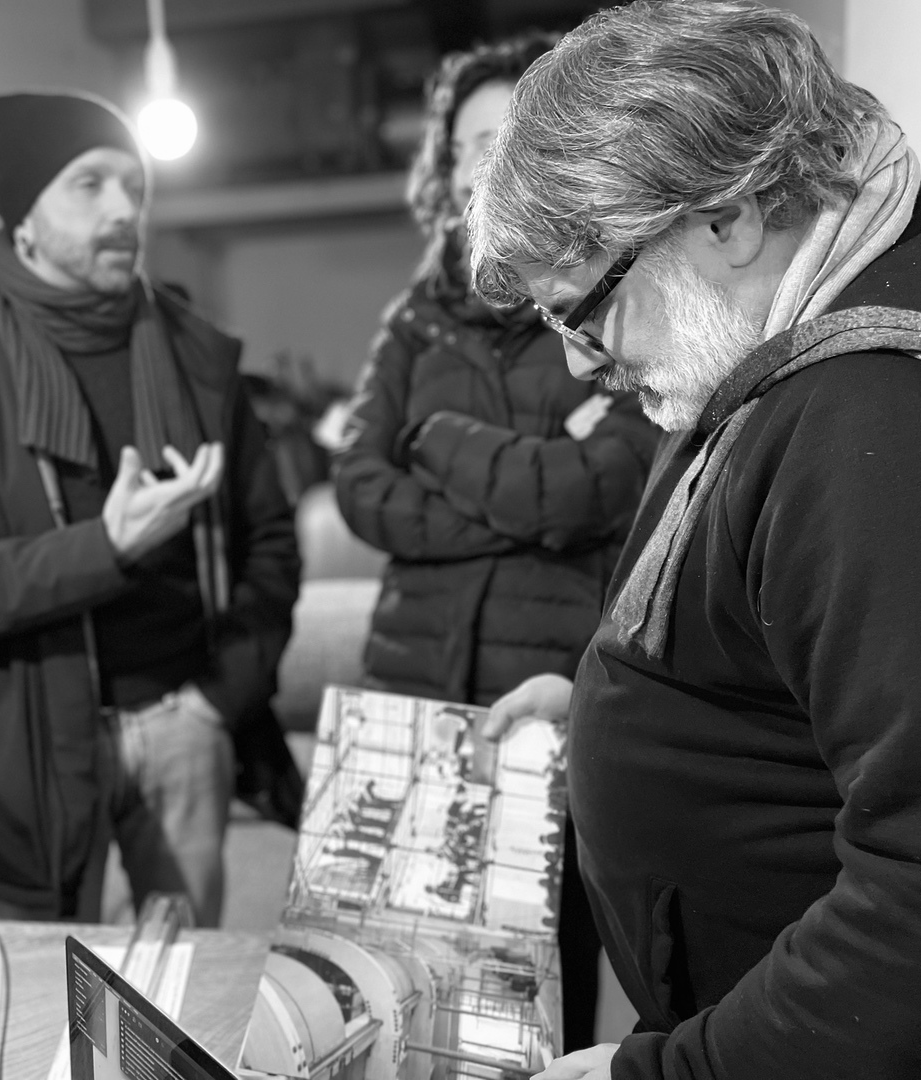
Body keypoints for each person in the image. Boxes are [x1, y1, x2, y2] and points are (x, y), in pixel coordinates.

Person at [468, 2, 921, 1076]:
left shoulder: (888, 411)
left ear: (725, 218)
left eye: (587, 311)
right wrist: (627, 712)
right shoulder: (827, 304)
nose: (579, 362)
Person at [0, 92, 301, 928]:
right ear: (23, 217)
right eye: (89, 184)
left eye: (134, 188)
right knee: (45, 983)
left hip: (184, 722)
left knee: (178, 980)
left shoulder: (193, 350)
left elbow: (271, 540)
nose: (123, 210)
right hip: (32, 741)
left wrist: (220, 699)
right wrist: (104, 547)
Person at [332, 37, 660, 1051]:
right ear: (442, 169)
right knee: (398, 983)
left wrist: (435, 443)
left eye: (508, 133)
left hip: (548, 689)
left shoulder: (610, 297)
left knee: (539, 979)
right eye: (468, 142)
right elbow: (358, 487)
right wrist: (526, 492)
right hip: (412, 693)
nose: (487, 160)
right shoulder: (412, 321)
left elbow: (600, 485)